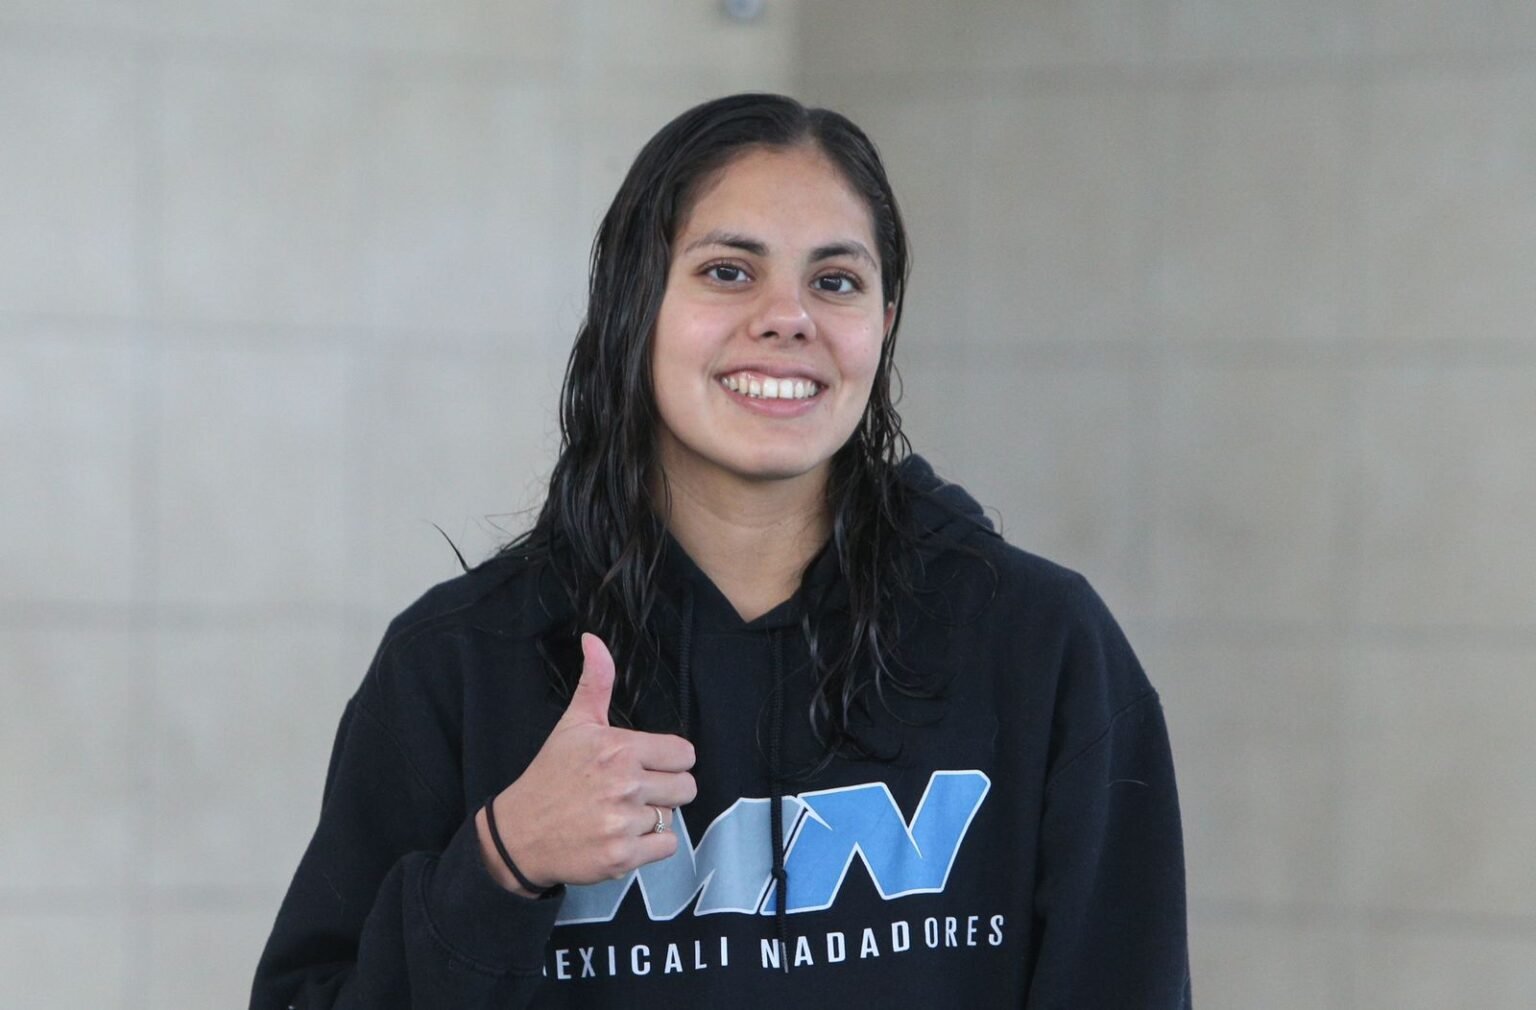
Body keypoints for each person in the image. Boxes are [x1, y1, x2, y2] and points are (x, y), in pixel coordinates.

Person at [251, 92, 1191, 1009]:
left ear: (884, 322)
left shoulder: (1037, 646)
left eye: (836, 281)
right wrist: (501, 863)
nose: (788, 317)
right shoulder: (460, 665)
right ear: (634, 304)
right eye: (729, 271)